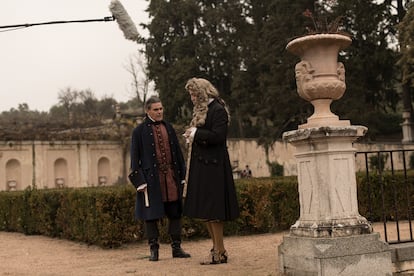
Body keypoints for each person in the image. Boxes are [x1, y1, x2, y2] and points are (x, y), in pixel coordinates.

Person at [183, 77, 240, 265]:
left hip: (214, 166)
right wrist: (192, 134)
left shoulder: (218, 109)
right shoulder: (202, 110)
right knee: (206, 210)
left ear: (202, 92)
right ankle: (216, 248)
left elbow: (218, 136)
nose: (192, 98)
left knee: (214, 210)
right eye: (190, 94)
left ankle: (220, 251)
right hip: (203, 165)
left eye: (194, 94)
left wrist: (196, 133)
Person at [129, 96, 190, 261]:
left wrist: (182, 176)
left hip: (171, 177)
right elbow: (135, 160)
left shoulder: (168, 127)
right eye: (156, 109)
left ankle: (176, 248)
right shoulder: (138, 131)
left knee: (175, 212)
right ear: (148, 110)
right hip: (151, 181)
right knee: (151, 215)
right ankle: (154, 250)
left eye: (161, 109)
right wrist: (139, 181)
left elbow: (178, 153)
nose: (159, 112)